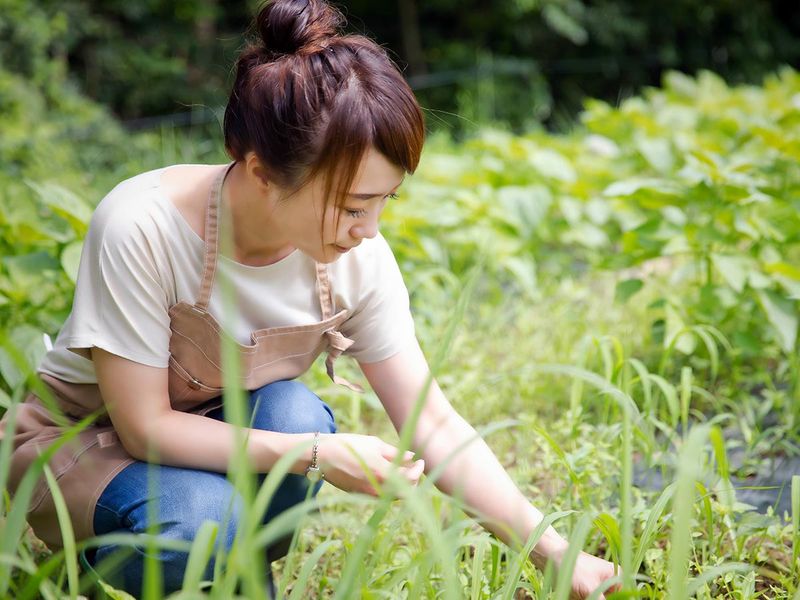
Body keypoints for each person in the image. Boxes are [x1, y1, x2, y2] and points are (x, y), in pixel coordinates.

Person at [2, 0, 620, 597]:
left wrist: (555, 555)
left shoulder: (357, 259)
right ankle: (90, 563)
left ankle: (239, 577)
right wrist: (316, 455)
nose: (370, 229)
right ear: (261, 171)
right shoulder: (142, 225)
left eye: (385, 201)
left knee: (295, 415)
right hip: (87, 443)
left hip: (212, 437)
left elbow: (430, 421)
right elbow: (144, 429)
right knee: (216, 503)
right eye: (353, 205)